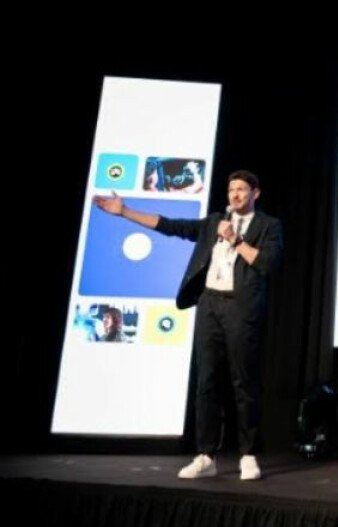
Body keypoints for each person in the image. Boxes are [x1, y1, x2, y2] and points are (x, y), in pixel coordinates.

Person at [92, 169, 283, 481]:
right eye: (231, 189)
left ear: (255, 194)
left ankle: (248, 454)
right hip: (209, 305)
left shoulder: (268, 226)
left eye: (241, 189)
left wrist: (235, 239)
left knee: (243, 381)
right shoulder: (213, 222)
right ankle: (206, 455)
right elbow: (171, 226)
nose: (234, 195)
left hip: (242, 307)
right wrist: (124, 212)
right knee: (206, 381)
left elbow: (267, 264)